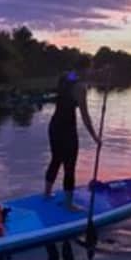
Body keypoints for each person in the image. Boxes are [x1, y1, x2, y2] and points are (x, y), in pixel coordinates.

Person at [44, 57, 100, 211]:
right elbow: (85, 116)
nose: (91, 71)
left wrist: (99, 72)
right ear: (85, 68)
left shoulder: (65, 77)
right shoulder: (81, 87)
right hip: (67, 130)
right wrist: (95, 137)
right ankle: (69, 204)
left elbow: (73, 76)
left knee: (55, 160)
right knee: (70, 166)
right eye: (90, 68)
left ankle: (47, 194)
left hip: (54, 126)